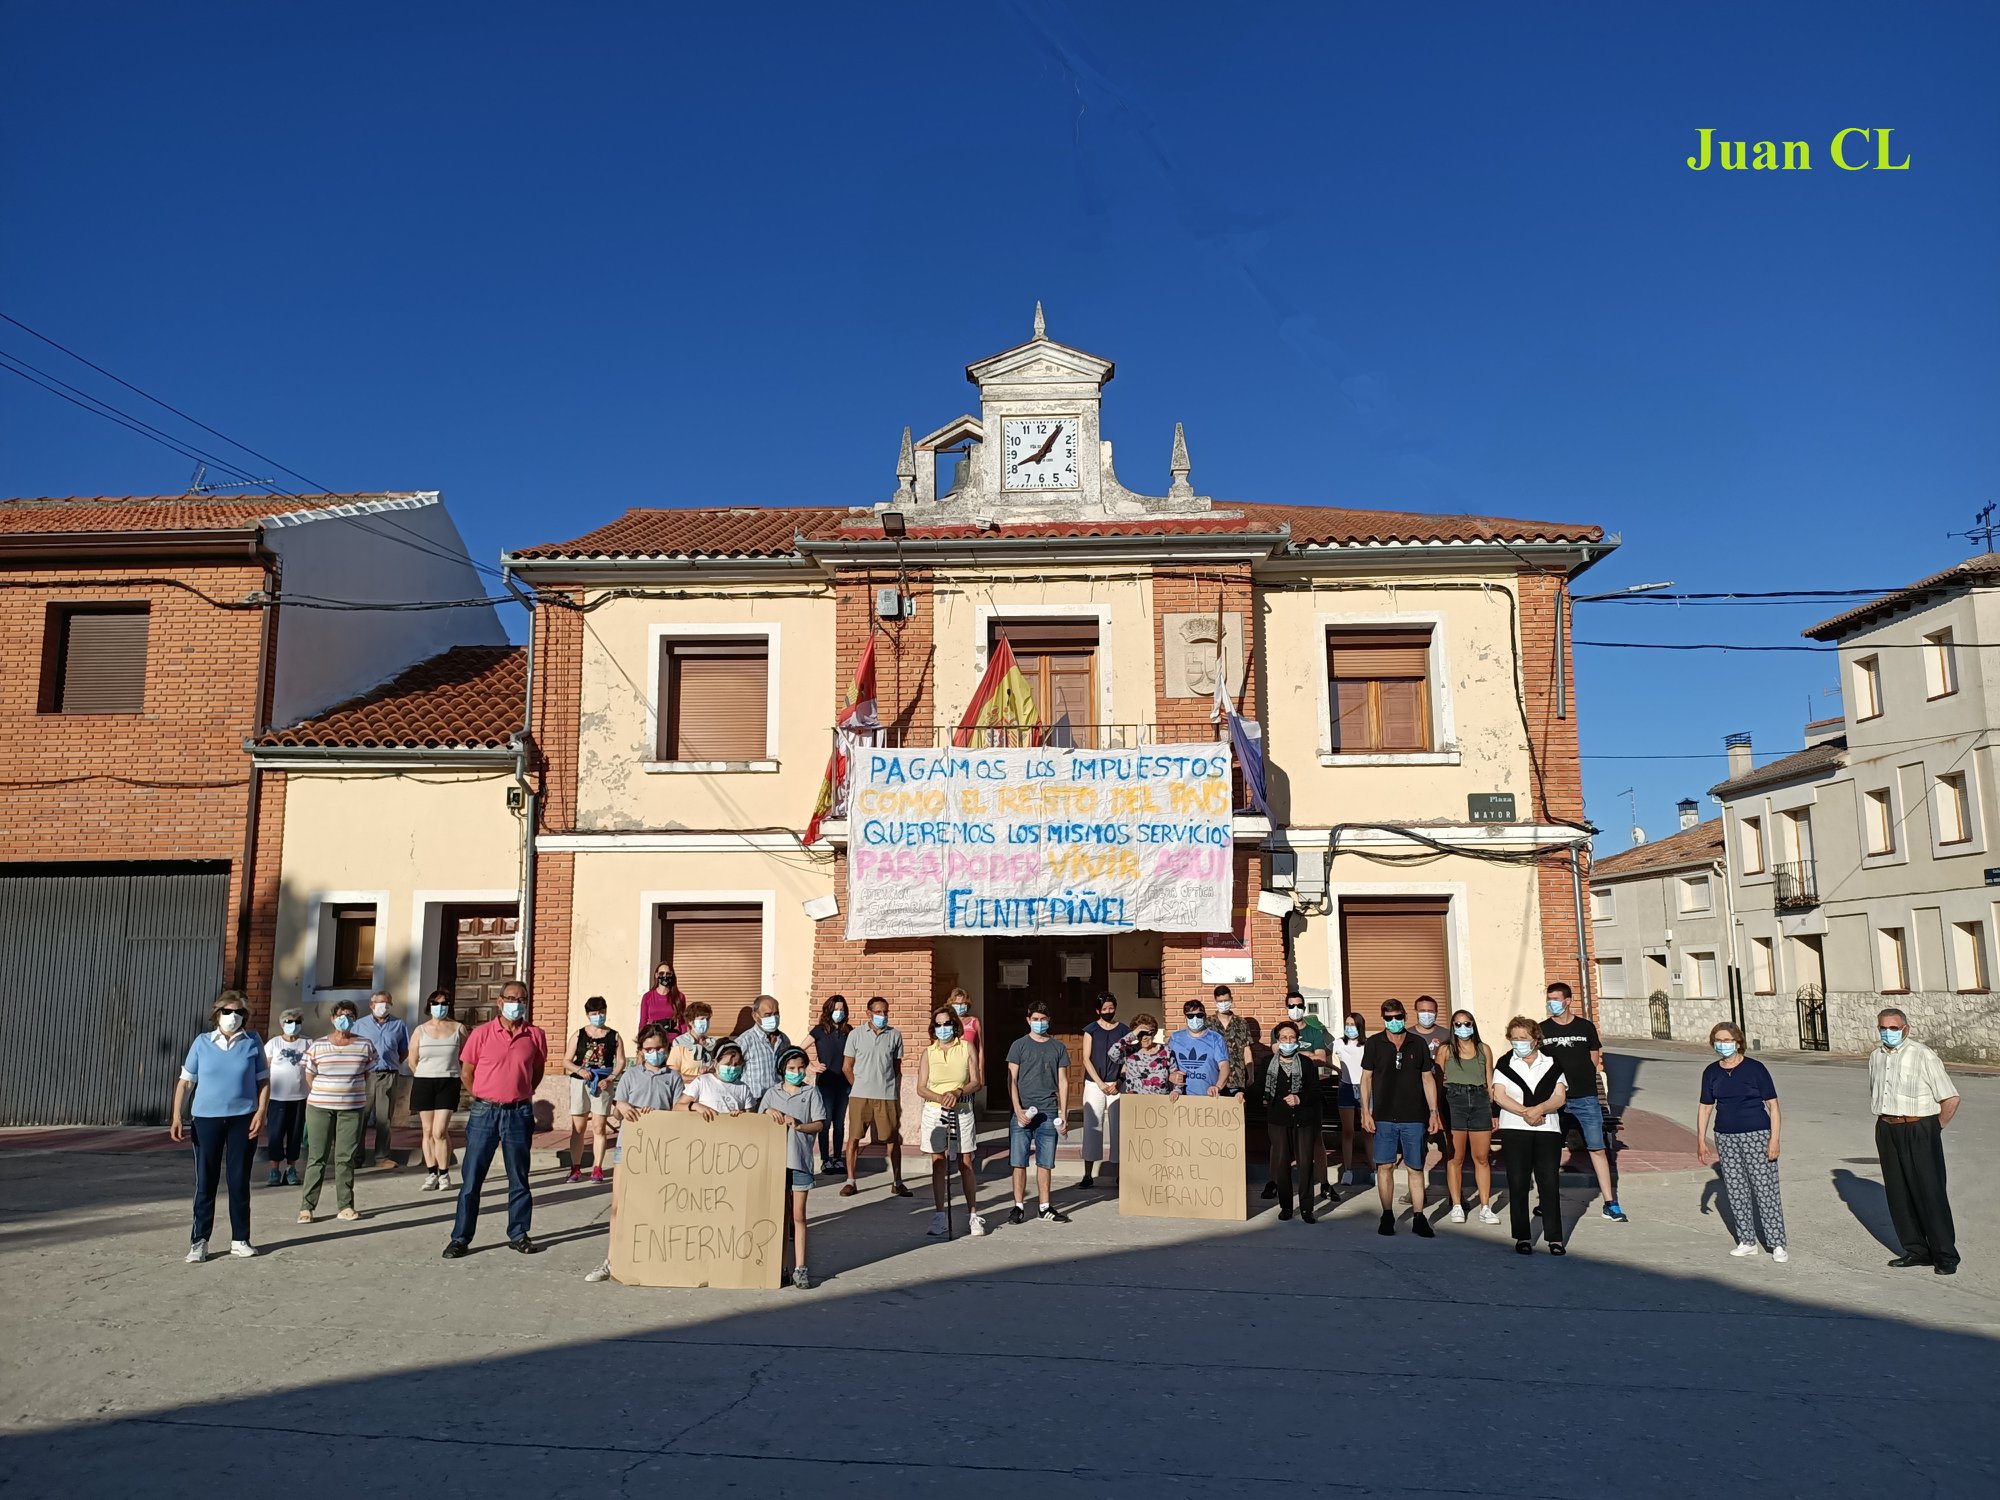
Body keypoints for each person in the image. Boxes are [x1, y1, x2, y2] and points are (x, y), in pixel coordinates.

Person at [442, 981, 547, 1259]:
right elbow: (467, 1071)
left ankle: (519, 1233)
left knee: (519, 1176)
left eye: (521, 999)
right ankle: (460, 1238)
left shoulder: (535, 1035)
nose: (516, 1003)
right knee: (472, 1179)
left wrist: (521, 1091)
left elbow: (537, 1070)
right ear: (499, 1001)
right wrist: (484, 1095)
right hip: (485, 1112)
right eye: (511, 998)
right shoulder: (482, 1034)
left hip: (519, 1112)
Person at [170, 990, 270, 1262]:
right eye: (227, 1011)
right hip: (206, 1119)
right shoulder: (202, 1042)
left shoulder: (252, 1041)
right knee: (206, 1180)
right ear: (217, 1014)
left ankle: (240, 1239)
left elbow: (263, 1081)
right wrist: (177, 1116)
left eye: (238, 1012)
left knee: (239, 1180)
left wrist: (261, 1111)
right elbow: (185, 1081)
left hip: (243, 1119)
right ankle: (199, 1241)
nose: (232, 1016)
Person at [1869, 1008, 1960, 1274]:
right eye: (1883, 1028)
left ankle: (1945, 1255)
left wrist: (1934, 1129)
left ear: (1906, 1029)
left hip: (1919, 1127)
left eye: (1894, 1028)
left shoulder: (1922, 1055)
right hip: (1887, 1127)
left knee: (1929, 1191)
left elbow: (1951, 1098)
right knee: (1898, 1193)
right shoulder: (1875, 1057)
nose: (1888, 1032)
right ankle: (1916, 1250)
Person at [1696, 1021, 1787, 1262]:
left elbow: (1773, 1107)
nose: (1722, 1045)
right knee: (1736, 1190)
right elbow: (1706, 1107)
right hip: (1725, 1136)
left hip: (1756, 1134)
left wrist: (1774, 1140)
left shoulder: (1755, 1069)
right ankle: (1746, 1240)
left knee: (1765, 1189)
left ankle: (1776, 1243)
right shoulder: (1711, 1072)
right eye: (1718, 1040)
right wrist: (1701, 1140)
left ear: (1738, 1042)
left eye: (1727, 1040)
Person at [1542, 982, 1626, 1222]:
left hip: (1586, 1098)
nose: (1552, 1004)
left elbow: (1593, 1058)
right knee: (1549, 1152)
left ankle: (1611, 1203)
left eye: (1556, 999)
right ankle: (1547, 1201)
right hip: (1556, 1100)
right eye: (1549, 999)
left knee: (1597, 1149)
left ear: (1568, 1001)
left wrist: (1581, 1079)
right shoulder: (1543, 1030)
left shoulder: (1585, 1027)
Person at [1359, 998, 1440, 1238]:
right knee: (1384, 1166)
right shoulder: (1374, 1044)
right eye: (1389, 1018)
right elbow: (1366, 1079)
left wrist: (1433, 1112)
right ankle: (1386, 1214)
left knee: (1415, 1167)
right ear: (1383, 1019)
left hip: (1414, 1116)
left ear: (1405, 1016)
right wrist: (1365, 1111)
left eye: (1398, 1017)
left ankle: (1418, 1216)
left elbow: (1428, 1079)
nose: (1394, 1022)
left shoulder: (1418, 1043)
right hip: (1383, 1116)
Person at [1492, 1017, 1567, 1255]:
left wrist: (1540, 1110)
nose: (1518, 1043)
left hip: (1548, 1129)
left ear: (1536, 1039)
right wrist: (1527, 1112)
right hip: (1515, 1128)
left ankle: (1554, 1238)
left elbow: (1559, 1096)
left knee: (1549, 1182)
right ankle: (1523, 1236)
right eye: (1514, 1038)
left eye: (1523, 1038)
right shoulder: (1505, 1063)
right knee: (1518, 1182)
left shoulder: (1552, 1062)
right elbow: (1499, 1096)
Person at [297, 999, 377, 1224]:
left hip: (351, 1109)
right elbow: (310, 1075)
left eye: (350, 1016)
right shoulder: (318, 1045)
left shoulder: (365, 1045)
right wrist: (326, 1093)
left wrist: (348, 1091)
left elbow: (367, 1072)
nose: (345, 1020)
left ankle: (346, 1205)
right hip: (320, 1107)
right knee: (317, 1157)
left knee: (345, 1158)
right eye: (341, 1015)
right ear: (332, 1019)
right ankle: (307, 1207)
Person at [918, 1005, 985, 1236]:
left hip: (962, 1108)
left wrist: (957, 1092)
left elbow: (976, 1081)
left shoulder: (966, 1047)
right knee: (938, 1162)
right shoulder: (929, 1052)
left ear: (954, 1026)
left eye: (947, 1024)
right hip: (935, 1111)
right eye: (938, 1024)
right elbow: (921, 1087)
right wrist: (940, 1097)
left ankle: (973, 1215)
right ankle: (939, 1215)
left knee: (965, 1161)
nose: (943, 1028)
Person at [763, 1047, 826, 1289]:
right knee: (780, 1216)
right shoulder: (771, 1094)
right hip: (776, 1163)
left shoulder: (811, 1093)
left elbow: (819, 1124)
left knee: (798, 1216)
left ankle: (801, 1267)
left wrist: (799, 1127)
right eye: (791, 1069)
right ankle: (780, 1267)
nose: (796, 1072)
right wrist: (768, 1111)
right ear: (782, 1070)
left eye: (800, 1068)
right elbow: (759, 1120)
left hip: (799, 1161)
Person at [1006, 1002, 1070, 1224]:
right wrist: (1017, 1109)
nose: (1039, 1023)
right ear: (1028, 1020)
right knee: (1018, 1161)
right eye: (1035, 1019)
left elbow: (1063, 1081)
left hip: (1049, 1110)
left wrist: (1064, 1113)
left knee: (1045, 1161)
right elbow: (1011, 1079)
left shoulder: (1058, 1047)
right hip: (1023, 1110)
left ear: (1048, 1020)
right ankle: (1018, 1206)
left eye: (1043, 1019)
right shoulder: (1019, 1046)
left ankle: (1044, 1206)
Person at [841, 996, 910, 1198]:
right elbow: (847, 1066)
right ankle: (850, 1181)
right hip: (860, 1096)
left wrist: (892, 1090)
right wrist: (859, 1085)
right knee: (854, 1138)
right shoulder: (855, 1035)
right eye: (878, 1012)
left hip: (886, 1096)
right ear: (868, 1013)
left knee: (892, 1138)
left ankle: (897, 1181)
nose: (883, 1015)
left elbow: (897, 1068)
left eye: (885, 1012)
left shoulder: (895, 1035)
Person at [1440, 1009, 1500, 1225]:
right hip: (1454, 1100)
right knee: (1456, 1157)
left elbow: (1489, 1081)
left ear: (1473, 1025)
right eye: (1458, 1024)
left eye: (1467, 1023)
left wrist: (1494, 1111)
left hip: (1479, 1100)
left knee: (1482, 1157)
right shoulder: (1446, 1050)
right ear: (1452, 1027)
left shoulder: (1484, 1049)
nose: (1463, 1028)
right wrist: (1437, 1113)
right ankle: (1456, 1204)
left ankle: (1485, 1206)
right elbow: (1438, 1082)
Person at [1262, 1021, 1324, 1223]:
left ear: (1297, 1040)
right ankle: (1286, 1206)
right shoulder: (1267, 1063)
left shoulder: (1306, 1064)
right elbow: (1257, 1088)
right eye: (1283, 1038)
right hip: (1278, 1121)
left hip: (1304, 1121)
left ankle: (1307, 1208)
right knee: (1281, 1164)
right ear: (1277, 1041)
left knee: (1305, 1163)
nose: (1288, 1041)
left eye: (1291, 1038)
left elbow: (1315, 1092)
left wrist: (1300, 1099)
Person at [409, 990, 467, 1191]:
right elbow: (412, 1061)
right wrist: (424, 1073)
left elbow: (466, 1057)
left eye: (444, 1003)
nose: (439, 1006)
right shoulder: (420, 1030)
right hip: (424, 1081)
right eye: (435, 1002)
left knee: (440, 1130)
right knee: (427, 1130)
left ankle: (444, 1174)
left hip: (448, 1081)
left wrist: (460, 1076)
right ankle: (431, 1172)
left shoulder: (459, 1028)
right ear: (429, 1005)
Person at [563, 997, 624, 1184]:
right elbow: (566, 1060)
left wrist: (610, 1078)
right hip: (580, 1082)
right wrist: (579, 1070)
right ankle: (575, 1167)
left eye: (601, 1013)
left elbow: (620, 1061)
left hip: (603, 1082)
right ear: (588, 1015)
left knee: (599, 1126)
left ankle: (597, 1168)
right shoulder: (579, 1034)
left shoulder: (614, 1036)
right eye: (594, 1014)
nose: (599, 1017)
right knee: (579, 1128)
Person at [353, 990, 410, 1170]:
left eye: (387, 1003)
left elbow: (404, 1050)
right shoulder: (359, 1025)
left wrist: (392, 1064)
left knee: (384, 1118)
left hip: (389, 1075)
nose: (383, 1006)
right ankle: (356, 1157)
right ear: (372, 1005)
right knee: (361, 1116)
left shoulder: (398, 1025)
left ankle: (382, 1157)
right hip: (366, 1075)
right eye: (380, 1003)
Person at [1079, 993, 1129, 1189]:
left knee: (1118, 1128)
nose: (1109, 1012)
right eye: (1105, 1009)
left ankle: (1119, 1174)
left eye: (1111, 1008)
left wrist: (1119, 1080)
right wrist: (1100, 1083)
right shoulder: (1090, 1030)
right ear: (1098, 1010)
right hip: (1094, 1083)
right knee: (1093, 1126)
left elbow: (1127, 1058)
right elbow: (1086, 1058)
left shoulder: (1124, 1030)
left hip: (1117, 1083)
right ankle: (1088, 1174)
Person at [262, 1008, 309, 1188]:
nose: (293, 1026)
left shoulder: (307, 1043)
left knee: (295, 1134)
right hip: (276, 1098)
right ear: (282, 1024)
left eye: (297, 1022)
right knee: (275, 1134)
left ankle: (291, 1168)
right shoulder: (273, 1044)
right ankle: (274, 1169)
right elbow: (265, 1068)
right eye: (289, 1022)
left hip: (299, 1097)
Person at [809, 996, 852, 1174]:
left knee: (840, 1123)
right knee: (825, 1123)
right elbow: (799, 1048)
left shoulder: (848, 1031)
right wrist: (811, 1066)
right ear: (828, 1011)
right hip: (825, 1083)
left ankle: (837, 1159)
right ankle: (825, 1159)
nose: (839, 1013)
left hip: (843, 1083)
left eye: (842, 1010)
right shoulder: (819, 1031)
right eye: (836, 1009)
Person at [1331, 1013, 1369, 1187]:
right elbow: (1323, 1056)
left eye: (1353, 1024)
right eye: (1347, 1024)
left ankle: (1374, 1169)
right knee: (1348, 1131)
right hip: (1346, 1087)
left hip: (1364, 1088)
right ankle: (1348, 1170)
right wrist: (1336, 1069)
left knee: (1368, 1130)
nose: (1349, 1027)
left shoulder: (1368, 1045)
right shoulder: (1339, 1043)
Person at [1167, 998, 1230, 1098]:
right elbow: (1165, 1065)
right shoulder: (1175, 1038)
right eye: (1190, 1016)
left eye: (1199, 1015)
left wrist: (1217, 1087)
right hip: (1180, 1097)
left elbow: (1224, 1066)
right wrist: (1170, 1077)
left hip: (1208, 1097)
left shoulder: (1215, 1038)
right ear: (1185, 1018)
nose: (1195, 1019)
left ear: (1204, 1017)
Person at [735, 994, 792, 1099]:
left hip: (779, 1099)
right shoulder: (744, 1041)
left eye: (776, 1014)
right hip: (754, 1101)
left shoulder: (784, 1040)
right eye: (767, 1015)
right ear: (755, 1016)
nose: (773, 1018)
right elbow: (734, 1074)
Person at [1109, 1014, 1176, 1094]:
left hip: (1160, 1103)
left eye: (1147, 1033)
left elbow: (1176, 1074)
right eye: (1140, 1034)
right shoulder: (1130, 1051)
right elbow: (1112, 1053)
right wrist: (1133, 1034)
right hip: (1136, 1103)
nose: (1144, 1037)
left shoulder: (1166, 1051)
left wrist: (1176, 1091)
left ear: (1154, 1033)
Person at [688, 1042, 759, 1113]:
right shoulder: (702, 1081)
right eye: (727, 1064)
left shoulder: (743, 1088)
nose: (732, 1068)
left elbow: (751, 1114)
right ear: (715, 1063)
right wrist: (695, 1106)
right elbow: (678, 1106)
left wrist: (742, 1113)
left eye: (736, 1064)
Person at [1213, 985, 1252, 1098]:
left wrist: (1250, 1075)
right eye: (1220, 1001)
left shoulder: (1241, 1023)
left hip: (1237, 1077)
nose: (1223, 1003)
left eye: (1226, 1000)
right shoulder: (1208, 1023)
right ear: (1215, 1001)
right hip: (1215, 1078)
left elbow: (1246, 1049)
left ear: (1231, 1000)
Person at [667, 1000, 719, 1081]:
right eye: (702, 1019)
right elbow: (673, 1074)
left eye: (708, 1019)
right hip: (686, 1089)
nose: (705, 1022)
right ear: (690, 1022)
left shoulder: (713, 1043)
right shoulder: (680, 1043)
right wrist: (698, 1079)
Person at [638, 961, 687, 1035]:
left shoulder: (679, 997)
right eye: (661, 973)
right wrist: (641, 1039)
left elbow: (683, 1023)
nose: (665, 976)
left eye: (668, 973)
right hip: (654, 1040)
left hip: (673, 1040)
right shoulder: (647, 997)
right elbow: (643, 1022)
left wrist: (684, 1041)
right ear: (656, 975)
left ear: (672, 975)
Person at [948, 988, 983, 1071]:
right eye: (956, 1003)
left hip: (970, 1068)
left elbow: (980, 1049)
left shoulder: (974, 1021)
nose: (959, 1006)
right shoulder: (947, 1023)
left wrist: (981, 1073)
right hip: (951, 1068)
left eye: (963, 1004)